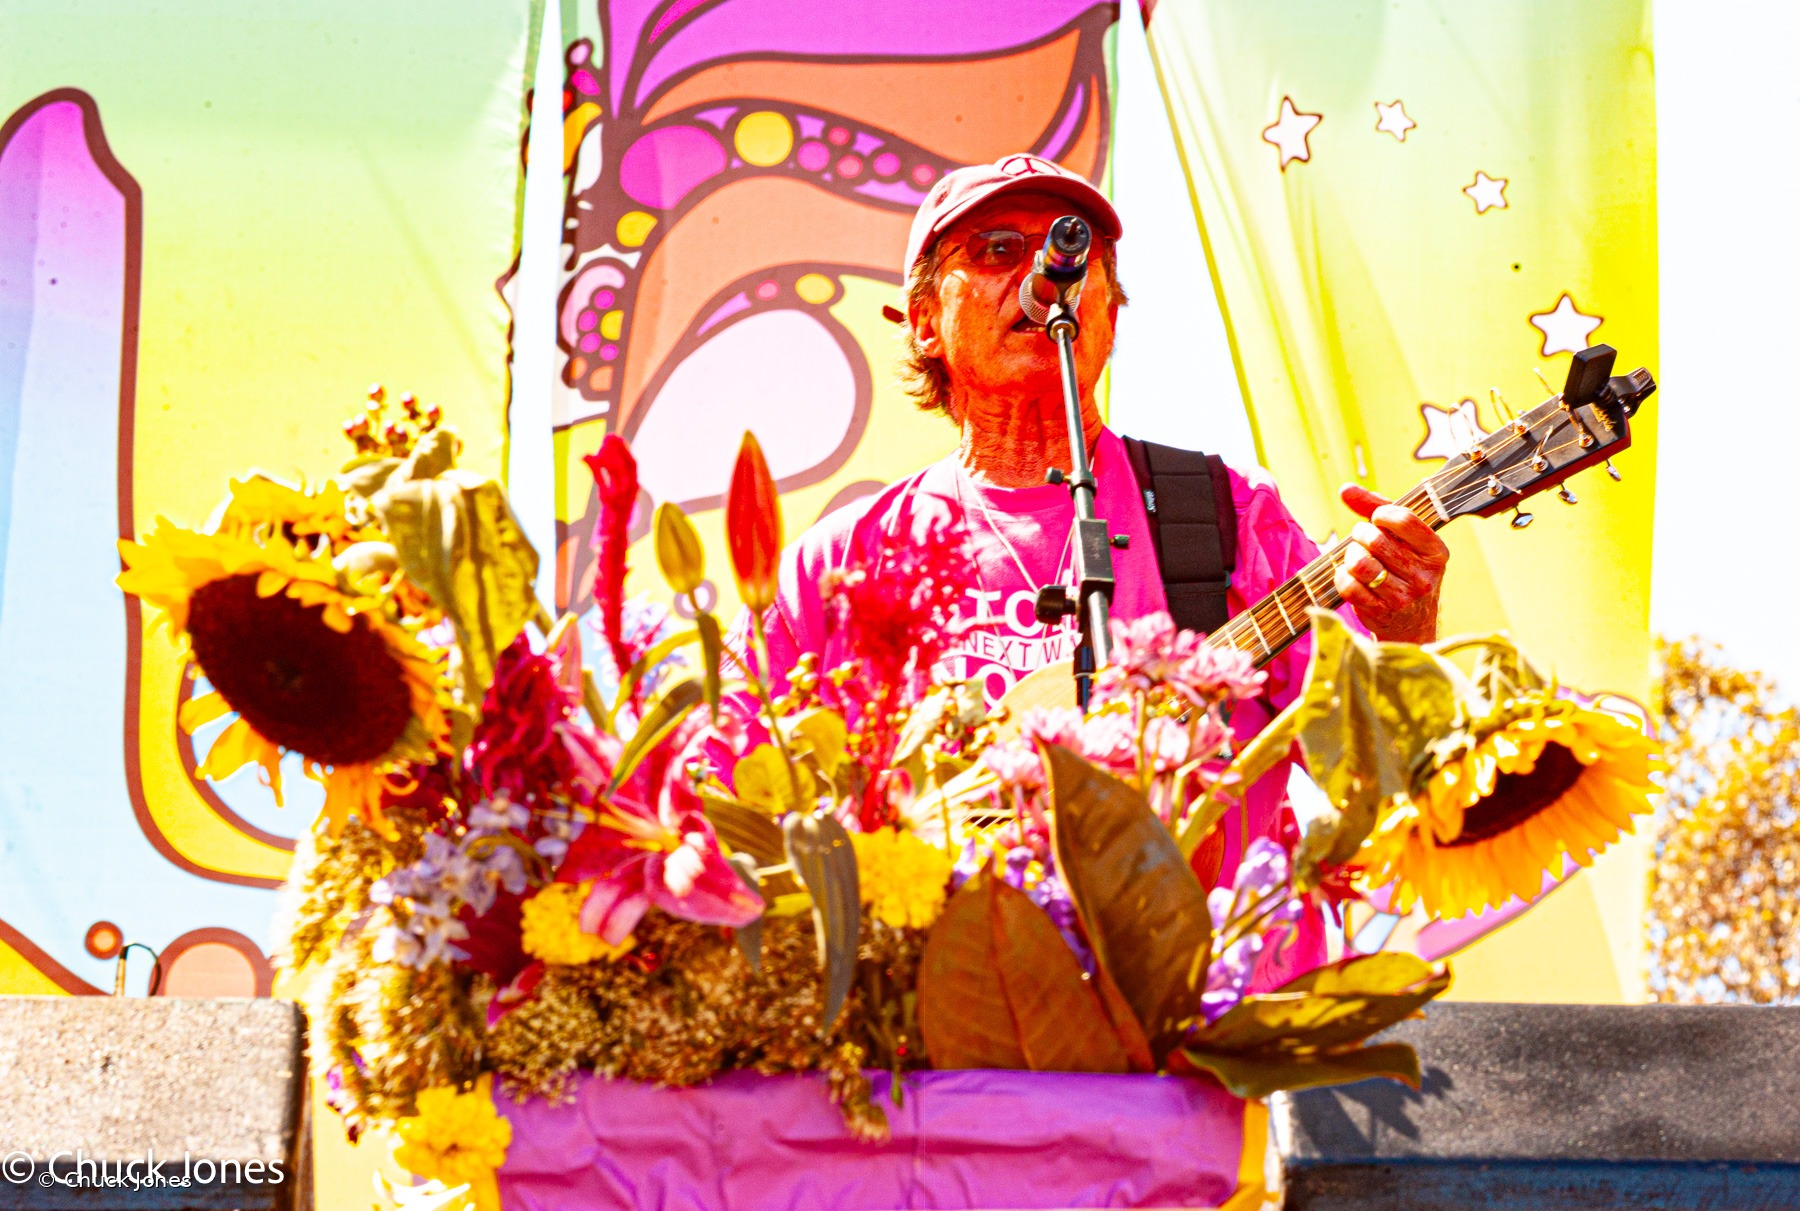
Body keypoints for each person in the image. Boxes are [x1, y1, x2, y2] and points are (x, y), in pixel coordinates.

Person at [751, 153, 1448, 901]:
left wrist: (1406, 630)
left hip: (1218, 1003)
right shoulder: (843, 561)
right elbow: (736, 791)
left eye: (1074, 253)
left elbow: (1378, 774)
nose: (1046, 276)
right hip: (938, 1007)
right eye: (996, 251)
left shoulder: (1225, 512)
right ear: (925, 322)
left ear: (1109, 315)